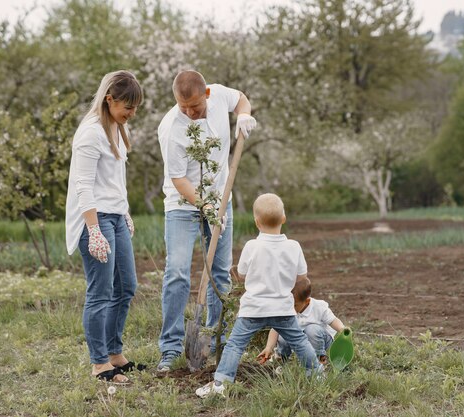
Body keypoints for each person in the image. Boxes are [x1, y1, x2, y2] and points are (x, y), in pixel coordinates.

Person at [156, 70, 257, 372]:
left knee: (220, 274)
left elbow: (240, 99)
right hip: (182, 205)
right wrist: (205, 207)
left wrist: (244, 115)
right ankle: (171, 349)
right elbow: (177, 179)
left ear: (207, 95)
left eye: (195, 106)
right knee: (177, 273)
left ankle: (216, 342)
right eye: (182, 106)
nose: (189, 112)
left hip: (221, 199)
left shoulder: (218, 94)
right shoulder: (171, 127)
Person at [195, 193, 322, 398]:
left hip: (253, 309)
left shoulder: (252, 246)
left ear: (256, 222)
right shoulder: (293, 246)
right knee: (299, 341)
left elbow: (243, 275)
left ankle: (221, 383)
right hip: (282, 309)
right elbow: (302, 277)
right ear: (284, 218)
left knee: (236, 344)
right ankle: (315, 373)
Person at [65, 70, 144, 384]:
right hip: (94, 220)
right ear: (109, 99)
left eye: (136, 108)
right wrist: (93, 229)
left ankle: (114, 353)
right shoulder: (90, 133)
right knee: (100, 292)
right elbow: (84, 186)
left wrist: (124, 212)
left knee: (126, 287)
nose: (132, 113)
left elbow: (114, 180)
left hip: (115, 216)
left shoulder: (116, 127)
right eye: (128, 106)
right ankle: (99, 364)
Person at [257, 277, 346, 365]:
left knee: (312, 329)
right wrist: (268, 347)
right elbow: (275, 329)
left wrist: (343, 330)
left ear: (306, 301)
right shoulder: (286, 310)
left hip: (321, 342)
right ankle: (283, 359)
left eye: (295, 305)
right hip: (300, 344)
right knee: (283, 333)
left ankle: (318, 360)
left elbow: (333, 321)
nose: (290, 309)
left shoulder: (319, 307)